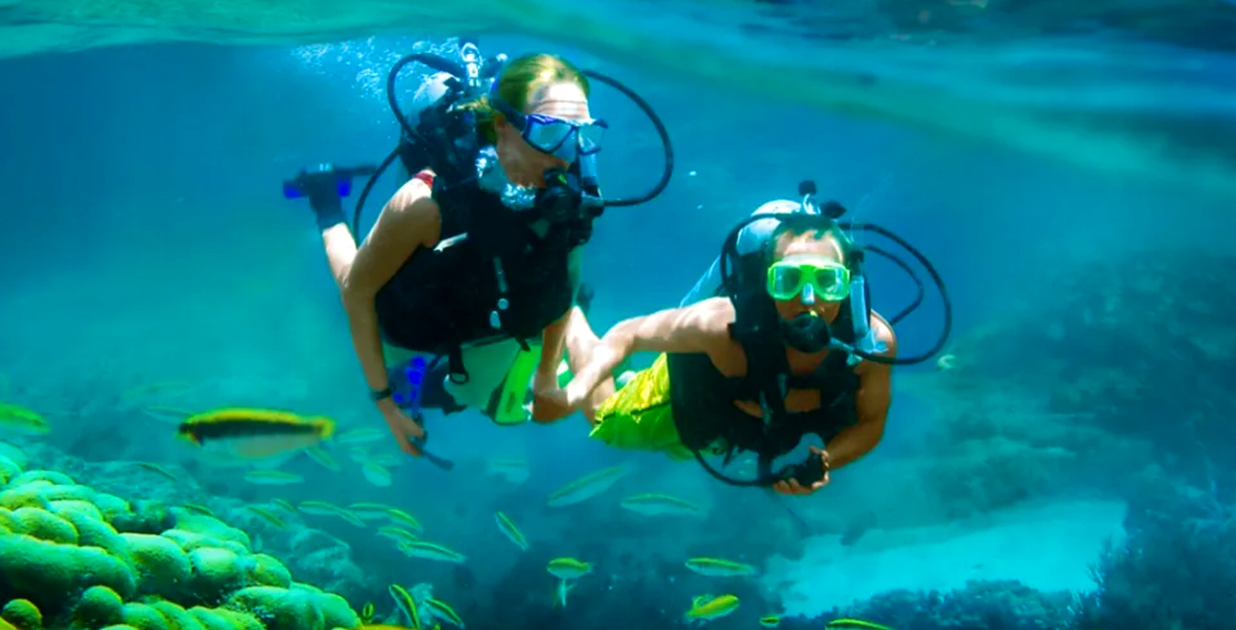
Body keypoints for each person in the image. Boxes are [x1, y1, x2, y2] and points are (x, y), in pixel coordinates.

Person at [288, 50, 615, 458]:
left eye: (583, 134)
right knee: (352, 281)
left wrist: (547, 377)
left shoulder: (573, 201)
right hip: (414, 309)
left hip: (477, 311)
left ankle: (428, 378)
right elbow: (358, 294)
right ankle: (324, 198)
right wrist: (385, 403)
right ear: (502, 126)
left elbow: (565, 287)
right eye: (552, 134)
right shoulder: (424, 202)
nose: (568, 156)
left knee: (472, 398)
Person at [549, 189, 922, 496]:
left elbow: (872, 421)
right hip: (688, 398)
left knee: (682, 450)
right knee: (606, 421)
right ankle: (569, 313)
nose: (808, 299)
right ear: (766, 282)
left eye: (827, 281)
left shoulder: (871, 344)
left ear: (848, 283)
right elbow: (628, 334)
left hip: (732, 427)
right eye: (788, 280)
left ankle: (626, 374)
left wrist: (826, 461)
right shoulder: (720, 325)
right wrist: (576, 390)